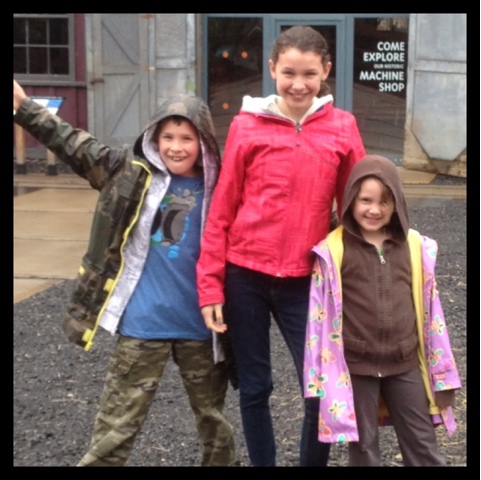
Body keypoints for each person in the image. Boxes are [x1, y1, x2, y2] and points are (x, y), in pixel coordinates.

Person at [13, 79, 237, 467]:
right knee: (117, 426)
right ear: (153, 137)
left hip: (202, 328)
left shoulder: (223, 186)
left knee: (213, 421)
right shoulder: (126, 173)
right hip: (142, 324)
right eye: (168, 137)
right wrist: (23, 106)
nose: (176, 147)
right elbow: (72, 142)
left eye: (187, 138)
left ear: (203, 141)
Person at [196, 26, 366, 466]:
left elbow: (357, 209)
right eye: (289, 72)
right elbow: (222, 208)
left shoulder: (342, 128)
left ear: (326, 71)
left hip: (306, 280)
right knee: (255, 387)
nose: (298, 84)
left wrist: (367, 275)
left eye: (309, 74)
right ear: (272, 69)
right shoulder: (246, 125)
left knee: (319, 390)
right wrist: (210, 286)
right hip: (244, 276)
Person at [303, 154, 462, 466]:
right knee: (364, 450)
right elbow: (318, 319)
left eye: (384, 202)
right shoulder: (334, 251)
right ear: (351, 199)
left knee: (422, 445)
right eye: (366, 200)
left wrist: (443, 376)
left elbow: (433, 316)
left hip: (405, 364)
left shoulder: (414, 247)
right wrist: (318, 376)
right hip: (356, 367)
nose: (374, 210)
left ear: (397, 205)